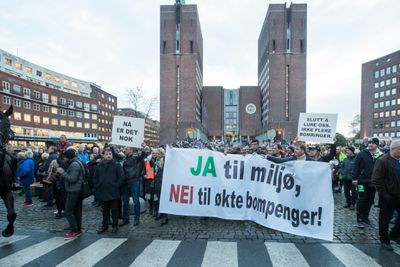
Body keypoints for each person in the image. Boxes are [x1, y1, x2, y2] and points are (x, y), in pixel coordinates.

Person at [371, 139, 400, 251]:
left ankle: (394, 234)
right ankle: (384, 240)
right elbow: (376, 180)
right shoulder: (383, 161)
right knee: (385, 219)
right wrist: (385, 194)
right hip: (388, 196)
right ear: (393, 149)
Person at [352, 137, 383, 227]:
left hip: (373, 182)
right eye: (369, 143)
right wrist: (355, 178)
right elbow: (356, 166)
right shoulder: (362, 153)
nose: (370, 144)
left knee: (370, 200)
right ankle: (359, 216)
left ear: (377, 144)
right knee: (362, 199)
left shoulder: (380, 155)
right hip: (361, 181)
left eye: (373, 143)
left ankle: (365, 217)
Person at [93, 148, 125, 234]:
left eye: (110, 154)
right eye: (106, 154)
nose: (108, 155)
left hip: (113, 191)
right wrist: (98, 185)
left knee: (114, 210)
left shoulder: (116, 165)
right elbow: (95, 177)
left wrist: (116, 185)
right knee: (105, 210)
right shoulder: (99, 165)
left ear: (112, 155)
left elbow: (122, 177)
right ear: (103, 155)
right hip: (103, 191)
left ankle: (115, 225)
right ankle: (105, 225)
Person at [56, 147, 83, 240]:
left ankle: (74, 231)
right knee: (76, 211)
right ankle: (78, 230)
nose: (64, 159)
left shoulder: (74, 165)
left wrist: (62, 173)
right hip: (77, 190)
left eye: (65, 157)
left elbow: (72, 179)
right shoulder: (77, 162)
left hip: (74, 190)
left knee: (68, 211)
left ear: (68, 157)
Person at [120, 147, 145, 227]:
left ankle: (137, 219)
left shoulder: (135, 158)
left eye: (126, 149)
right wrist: (111, 147)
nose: (124, 150)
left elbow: (142, 156)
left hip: (134, 182)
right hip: (125, 183)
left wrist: (143, 148)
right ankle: (126, 219)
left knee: (136, 201)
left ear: (131, 150)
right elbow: (115, 155)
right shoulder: (124, 158)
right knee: (125, 202)